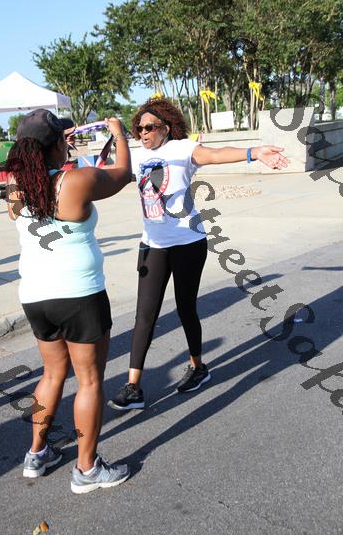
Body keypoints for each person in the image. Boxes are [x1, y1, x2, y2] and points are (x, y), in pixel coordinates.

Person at [108, 98, 289, 410]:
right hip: (152, 244)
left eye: (150, 127)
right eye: (138, 128)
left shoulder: (182, 149)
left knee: (185, 308)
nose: (143, 133)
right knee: (144, 315)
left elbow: (216, 155)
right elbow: (106, 175)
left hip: (188, 242)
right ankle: (133, 386)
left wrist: (254, 152)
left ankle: (198, 366)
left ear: (166, 128)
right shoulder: (136, 156)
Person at [5, 108, 131, 493]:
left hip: (36, 296)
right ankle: (87, 469)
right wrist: (118, 133)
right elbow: (123, 173)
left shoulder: (16, 188)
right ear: (56, 143)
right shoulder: (75, 181)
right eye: (62, 138)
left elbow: (42, 177)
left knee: (51, 374)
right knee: (89, 381)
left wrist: (57, 148)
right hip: (78, 295)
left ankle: (37, 454)